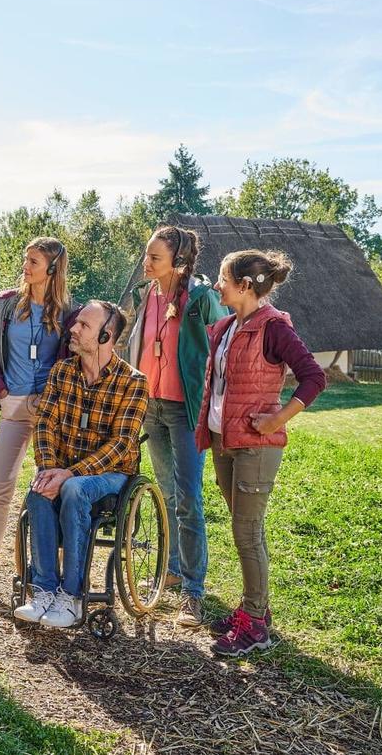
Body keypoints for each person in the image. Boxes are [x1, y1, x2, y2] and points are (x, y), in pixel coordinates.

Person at [194, 250, 326, 657]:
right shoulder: (228, 327)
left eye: (223, 280)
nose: (218, 287)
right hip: (224, 441)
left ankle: (254, 625)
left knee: (245, 533)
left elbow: (313, 377)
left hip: (255, 445)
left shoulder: (274, 328)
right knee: (247, 530)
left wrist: (277, 419)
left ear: (245, 286)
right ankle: (257, 612)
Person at [0, 237, 79, 603]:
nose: (26, 266)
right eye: (26, 259)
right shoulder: (6, 304)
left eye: (34, 261)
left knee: (49, 492)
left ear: (53, 268)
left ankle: (47, 579)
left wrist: (49, 395)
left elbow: (70, 362)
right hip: (11, 407)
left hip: (49, 413)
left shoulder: (70, 312)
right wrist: (0, 391)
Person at [13, 300, 149, 629]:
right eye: (77, 323)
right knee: (38, 490)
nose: (73, 329)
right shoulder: (63, 372)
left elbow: (121, 445)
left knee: (73, 489)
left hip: (113, 475)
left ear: (106, 337)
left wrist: (70, 473)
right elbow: (44, 424)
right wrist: (48, 470)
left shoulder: (133, 382)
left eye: (84, 326)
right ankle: (43, 590)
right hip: (64, 469)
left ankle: (72, 598)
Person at [125, 225, 227, 626]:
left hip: (185, 411)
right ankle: (170, 569)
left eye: (154, 258)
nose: (145, 263)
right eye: (146, 254)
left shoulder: (201, 299)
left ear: (178, 262)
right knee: (164, 491)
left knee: (188, 498)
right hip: (151, 406)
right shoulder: (146, 295)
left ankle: (193, 590)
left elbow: (222, 345)